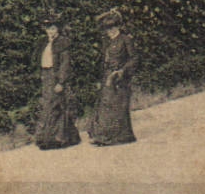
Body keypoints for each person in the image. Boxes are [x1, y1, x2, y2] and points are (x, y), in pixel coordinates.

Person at [88, 9, 137, 146]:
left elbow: (134, 59)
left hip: (119, 78)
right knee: (104, 105)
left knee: (117, 106)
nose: (110, 31)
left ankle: (118, 136)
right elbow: (103, 60)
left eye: (112, 27)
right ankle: (102, 136)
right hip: (106, 75)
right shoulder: (107, 42)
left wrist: (122, 71)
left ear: (118, 26)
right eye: (107, 28)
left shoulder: (126, 40)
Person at [33, 17, 79, 150]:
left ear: (58, 29)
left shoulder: (63, 43)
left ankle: (57, 138)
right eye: (48, 28)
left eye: (53, 28)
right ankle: (52, 137)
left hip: (56, 76)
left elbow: (65, 64)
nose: (50, 31)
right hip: (46, 76)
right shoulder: (44, 43)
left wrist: (61, 82)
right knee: (47, 106)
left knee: (55, 106)